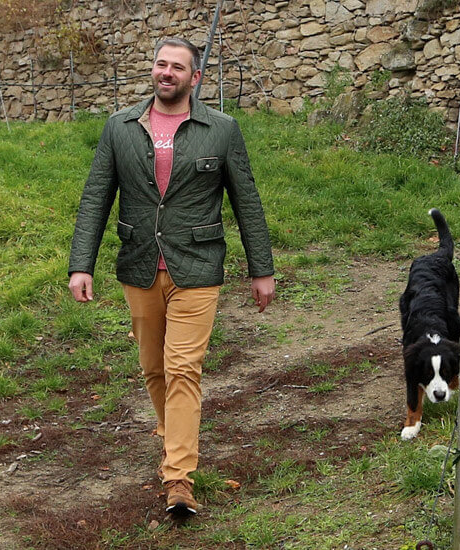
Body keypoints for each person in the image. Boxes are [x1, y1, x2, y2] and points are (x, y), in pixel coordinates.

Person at [66, 36, 277, 517]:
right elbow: (96, 196)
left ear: (194, 78)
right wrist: (82, 263)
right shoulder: (120, 127)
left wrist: (261, 270)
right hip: (139, 266)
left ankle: (178, 477)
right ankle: (175, 439)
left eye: (177, 67)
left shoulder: (221, 129)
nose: (167, 73)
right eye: (161, 64)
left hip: (197, 268)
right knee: (153, 369)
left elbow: (247, 201)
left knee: (183, 368)